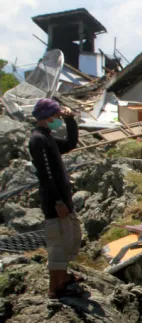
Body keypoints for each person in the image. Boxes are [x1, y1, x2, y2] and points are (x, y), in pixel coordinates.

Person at [28, 98, 83, 299]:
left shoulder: (47, 137)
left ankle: (64, 277)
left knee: (70, 237)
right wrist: (57, 202)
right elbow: (46, 174)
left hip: (63, 198)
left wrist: (70, 121)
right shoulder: (37, 140)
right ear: (48, 117)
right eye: (58, 117)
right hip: (55, 202)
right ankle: (54, 288)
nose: (59, 120)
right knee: (58, 242)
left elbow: (69, 143)